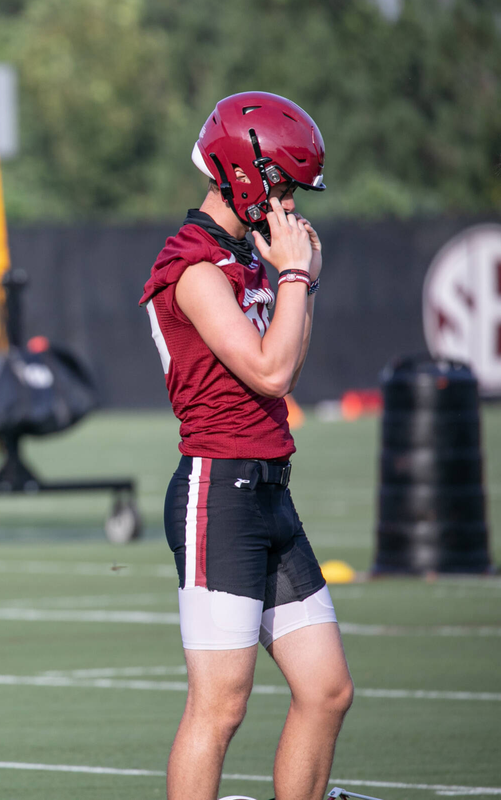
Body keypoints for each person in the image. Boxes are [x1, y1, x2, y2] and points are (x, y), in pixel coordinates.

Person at [139, 92, 355, 800]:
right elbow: (269, 369)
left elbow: (287, 360)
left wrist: (302, 284)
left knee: (326, 691)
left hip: (269, 490)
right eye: (283, 184)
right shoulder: (194, 264)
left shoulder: (247, 253)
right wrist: (293, 275)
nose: (289, 203)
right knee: (221, 703)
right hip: (218, 492)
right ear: (243, 172)